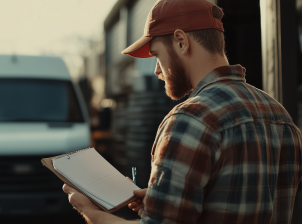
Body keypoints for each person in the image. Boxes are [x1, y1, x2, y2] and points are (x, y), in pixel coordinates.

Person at [62, 0, 302, 223]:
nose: (157, 70)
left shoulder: (190, 119)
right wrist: (159, 201)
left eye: (156, 55)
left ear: (181, 41)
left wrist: (91, 212)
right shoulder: (281, 117)